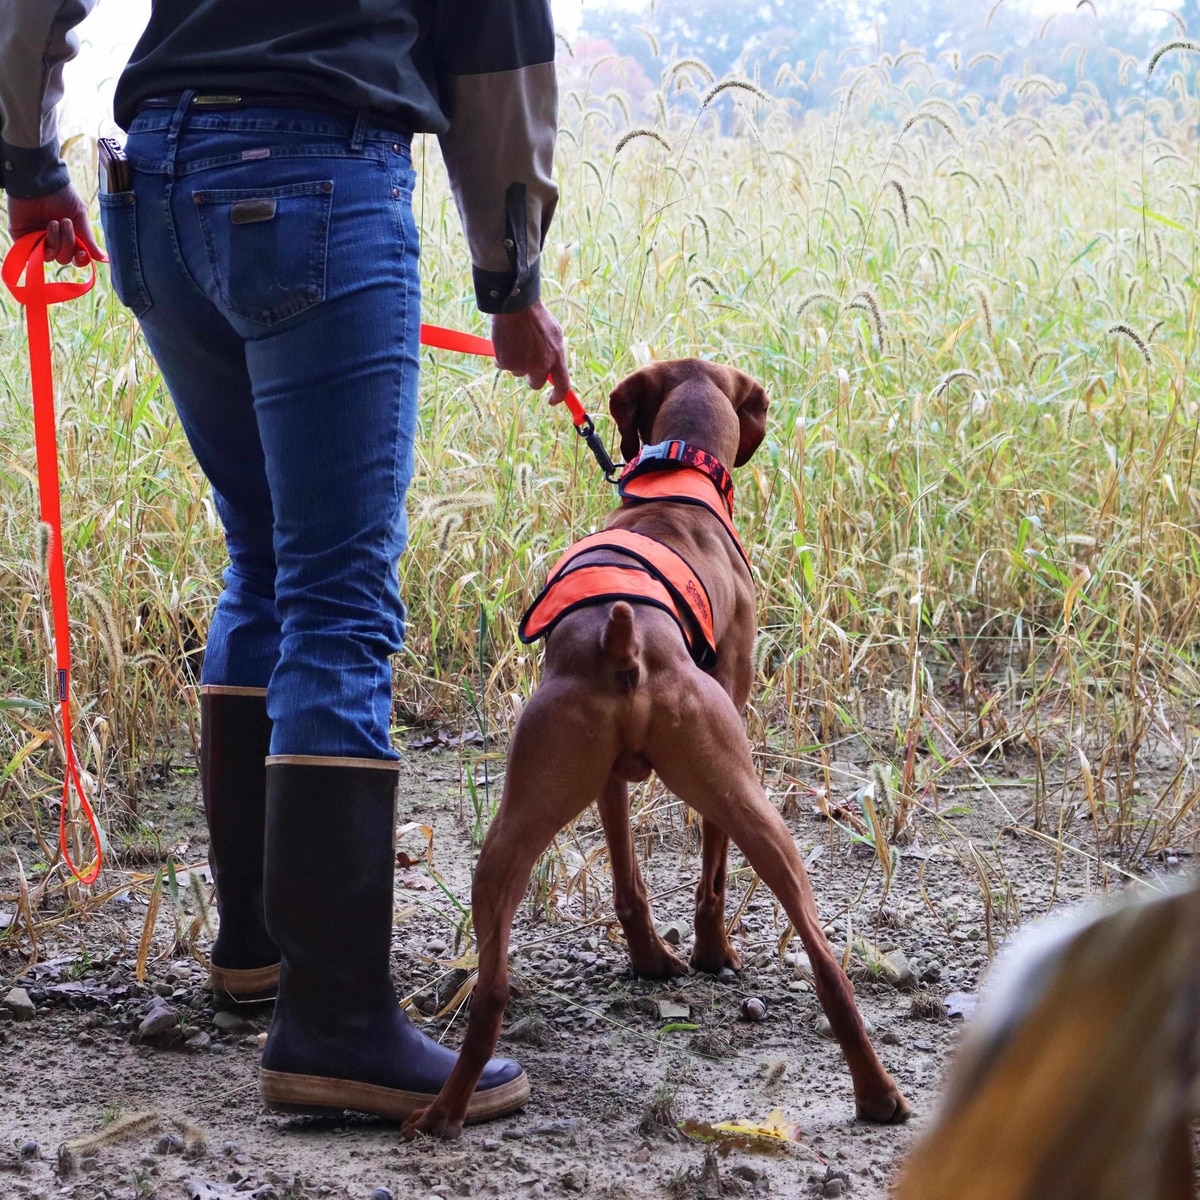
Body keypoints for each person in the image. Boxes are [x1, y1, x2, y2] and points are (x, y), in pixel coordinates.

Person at [1, 0, 570, 1124]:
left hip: (153, 187)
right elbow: (497, 48)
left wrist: (25, 156)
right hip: (315, 177)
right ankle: (337, 1023)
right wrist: (512, 283)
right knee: (337, 600)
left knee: (263, 560)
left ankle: (256, 947)